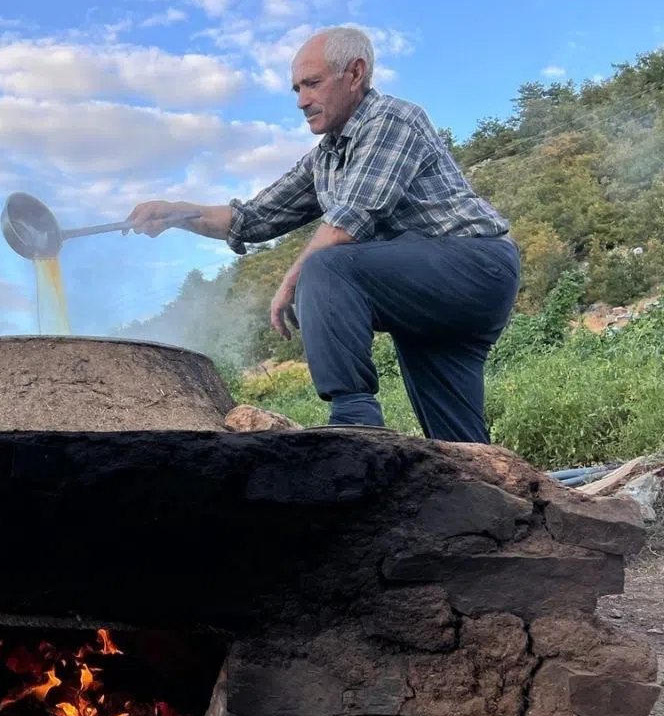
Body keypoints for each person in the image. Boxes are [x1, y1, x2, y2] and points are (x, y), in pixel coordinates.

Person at [124, 26, 520, 444]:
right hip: (427, 301)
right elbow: (253, 218)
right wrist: (176, 214)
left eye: (312, 84)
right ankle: (493, 495)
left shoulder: (392, 119)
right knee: (458, 445)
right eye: (296, 88)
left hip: (476, 269)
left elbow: (348, 223)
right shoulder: (325, 157)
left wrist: (294, 280)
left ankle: (354, 421)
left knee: (328, 266)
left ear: (355, 74)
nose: (301, 101)